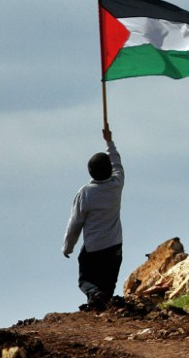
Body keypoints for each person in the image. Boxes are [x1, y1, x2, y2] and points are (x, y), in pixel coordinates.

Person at [63, 127, 124, 311]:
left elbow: (75, 223)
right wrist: (109, 142)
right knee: (108, 286)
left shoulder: (86, 193)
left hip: (94, 249)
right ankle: (104, 309)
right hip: (115, 246)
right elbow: (117, 162)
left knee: (85, 281)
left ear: (91, 172)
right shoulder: (117, 184)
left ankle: (94, 297)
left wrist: (68, 246)